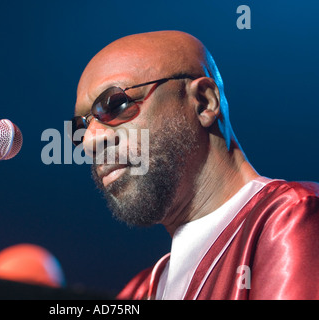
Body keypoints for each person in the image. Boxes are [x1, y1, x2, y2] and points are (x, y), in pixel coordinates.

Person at [70, 30, 319, 300]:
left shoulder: (292, 219)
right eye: (80, 127)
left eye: (115, 103)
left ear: (204, 102)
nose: (90, 140)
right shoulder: (140, 291)